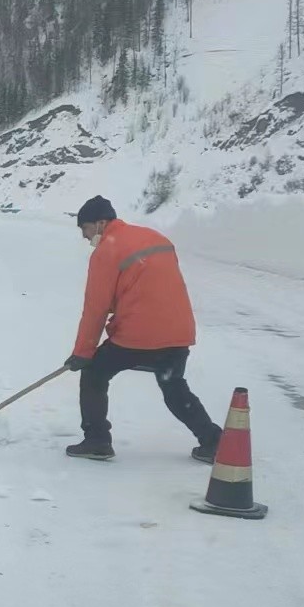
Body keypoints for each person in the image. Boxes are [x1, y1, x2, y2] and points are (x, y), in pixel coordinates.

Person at [62, 196, 224, 462]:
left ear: (101, 223)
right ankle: (213, 441)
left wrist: (83, 352)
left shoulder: (106, 252)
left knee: (94, 373)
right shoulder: (155, 237)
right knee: (173, 387)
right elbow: (149, 284)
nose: (84, 236)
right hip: (177, 333)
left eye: (86, 229)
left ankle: (97, 440)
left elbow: (96, 309)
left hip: (138, 337)